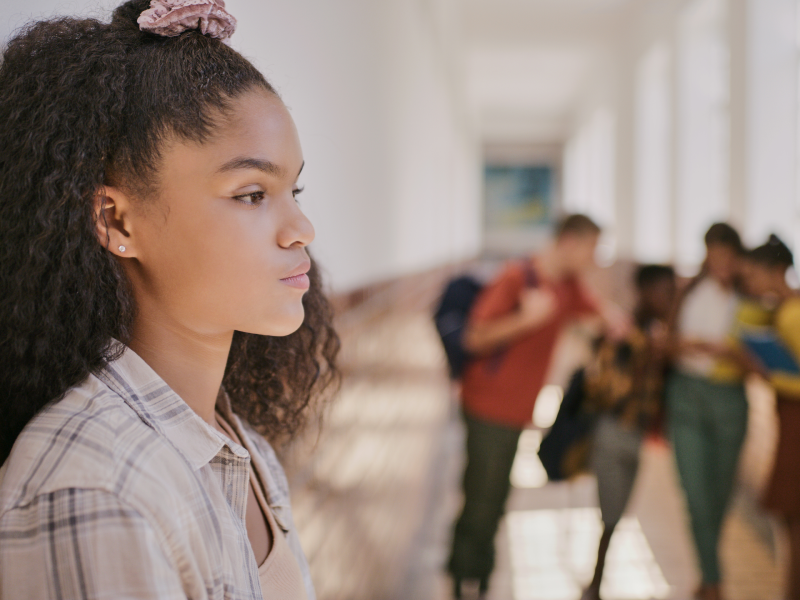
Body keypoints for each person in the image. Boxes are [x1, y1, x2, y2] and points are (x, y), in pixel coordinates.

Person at [0, 1, 340, 598]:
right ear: (116, 221)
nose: (301, 228)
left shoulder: (241, 446)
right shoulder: (97, 487)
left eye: (295, 188)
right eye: (252, 193)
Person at [447, 214, 622, 598]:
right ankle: (465, 579)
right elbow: (475, 338)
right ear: (570, 242)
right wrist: (526, 319)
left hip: (517, 409)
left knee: (493, 498)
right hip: (488, 405)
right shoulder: (516, 278)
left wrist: (619, 325)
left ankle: (479, 575)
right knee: (482, 499)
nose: (595, 259)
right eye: (592, 249)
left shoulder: (567, 284)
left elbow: (600, 314)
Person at [581, 265, 676, 600]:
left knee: (617, 513)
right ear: (644, 293)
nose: (669, 299)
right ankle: (594, 585)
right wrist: (646, 352)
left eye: (673, 292)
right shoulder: (626, 333)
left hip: (634, 435)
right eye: (663, 292)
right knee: (610, 514)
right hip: (613, 431)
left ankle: (596, 582)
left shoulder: (658, 332)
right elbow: (608, 387)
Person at [665, 223, 750, 600]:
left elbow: (765, 361)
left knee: (718, 495)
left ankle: (707, 573)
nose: (721, 262)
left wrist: (731, 354)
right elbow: (667, 344)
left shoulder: (749, 299)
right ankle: (714, 581)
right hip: (687, 395)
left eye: (728, 255)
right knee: (695, 492)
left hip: (729, 397)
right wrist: (681, 345)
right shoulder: (689, 293)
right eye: (714, 253)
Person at [741, 235, 800, 600]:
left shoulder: (793, 314)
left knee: (793, 514)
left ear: (775, 271)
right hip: (789, 423)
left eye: (752, 275)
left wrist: (765, 373)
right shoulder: (781, 309)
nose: (749, 283)